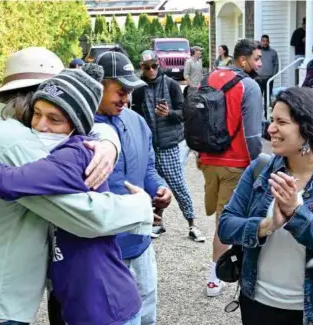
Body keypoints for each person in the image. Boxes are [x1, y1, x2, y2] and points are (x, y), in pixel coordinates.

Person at [0, 47, 153, 325]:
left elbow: (85, 130)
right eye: (40, 111)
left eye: (54, 116)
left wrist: (107, 140)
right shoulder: (18, 141)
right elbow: (86, 217)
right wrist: (139, 206)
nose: (42, 124)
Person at [218, 86, 313, 325]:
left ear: (308, 128)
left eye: (281, 121)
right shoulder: (260, 169)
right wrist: (267, 225)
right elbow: (226, 226)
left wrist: (296, 215)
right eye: (271, 120)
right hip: (258, 302)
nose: (270, 129)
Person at [94, 50, 175, 325]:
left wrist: (160, 189)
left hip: (142, 244)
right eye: (120, 91)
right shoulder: (81, 130)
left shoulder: (136, 121)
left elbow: (148, 169)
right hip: (104, 251)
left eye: (130, 91)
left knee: (146, 316)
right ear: (98, 86)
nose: (126, 99)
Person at [198, 39, 263, 297]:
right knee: (225, 223)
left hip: (207, 161)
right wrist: (260, 167)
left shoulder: (209, 78)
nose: (259, 63)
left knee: (218, 215)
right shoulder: (249, 86)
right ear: (243, 60)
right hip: (234, 164)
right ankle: (215, 275)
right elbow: (252, 136)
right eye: (257, 58)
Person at [131, 50, 205, 241]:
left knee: (178, 185)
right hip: (150, 146)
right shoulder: (138, 89)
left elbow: (184, 112)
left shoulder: (171, 84)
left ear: (159, 65)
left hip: (169, 144)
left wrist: (169, 113)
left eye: (154, 66)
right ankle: (157, 223)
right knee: (154, 189)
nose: (151, 70)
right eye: (147, 67)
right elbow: (136, 116)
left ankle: (193, 224)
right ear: (142, 68)